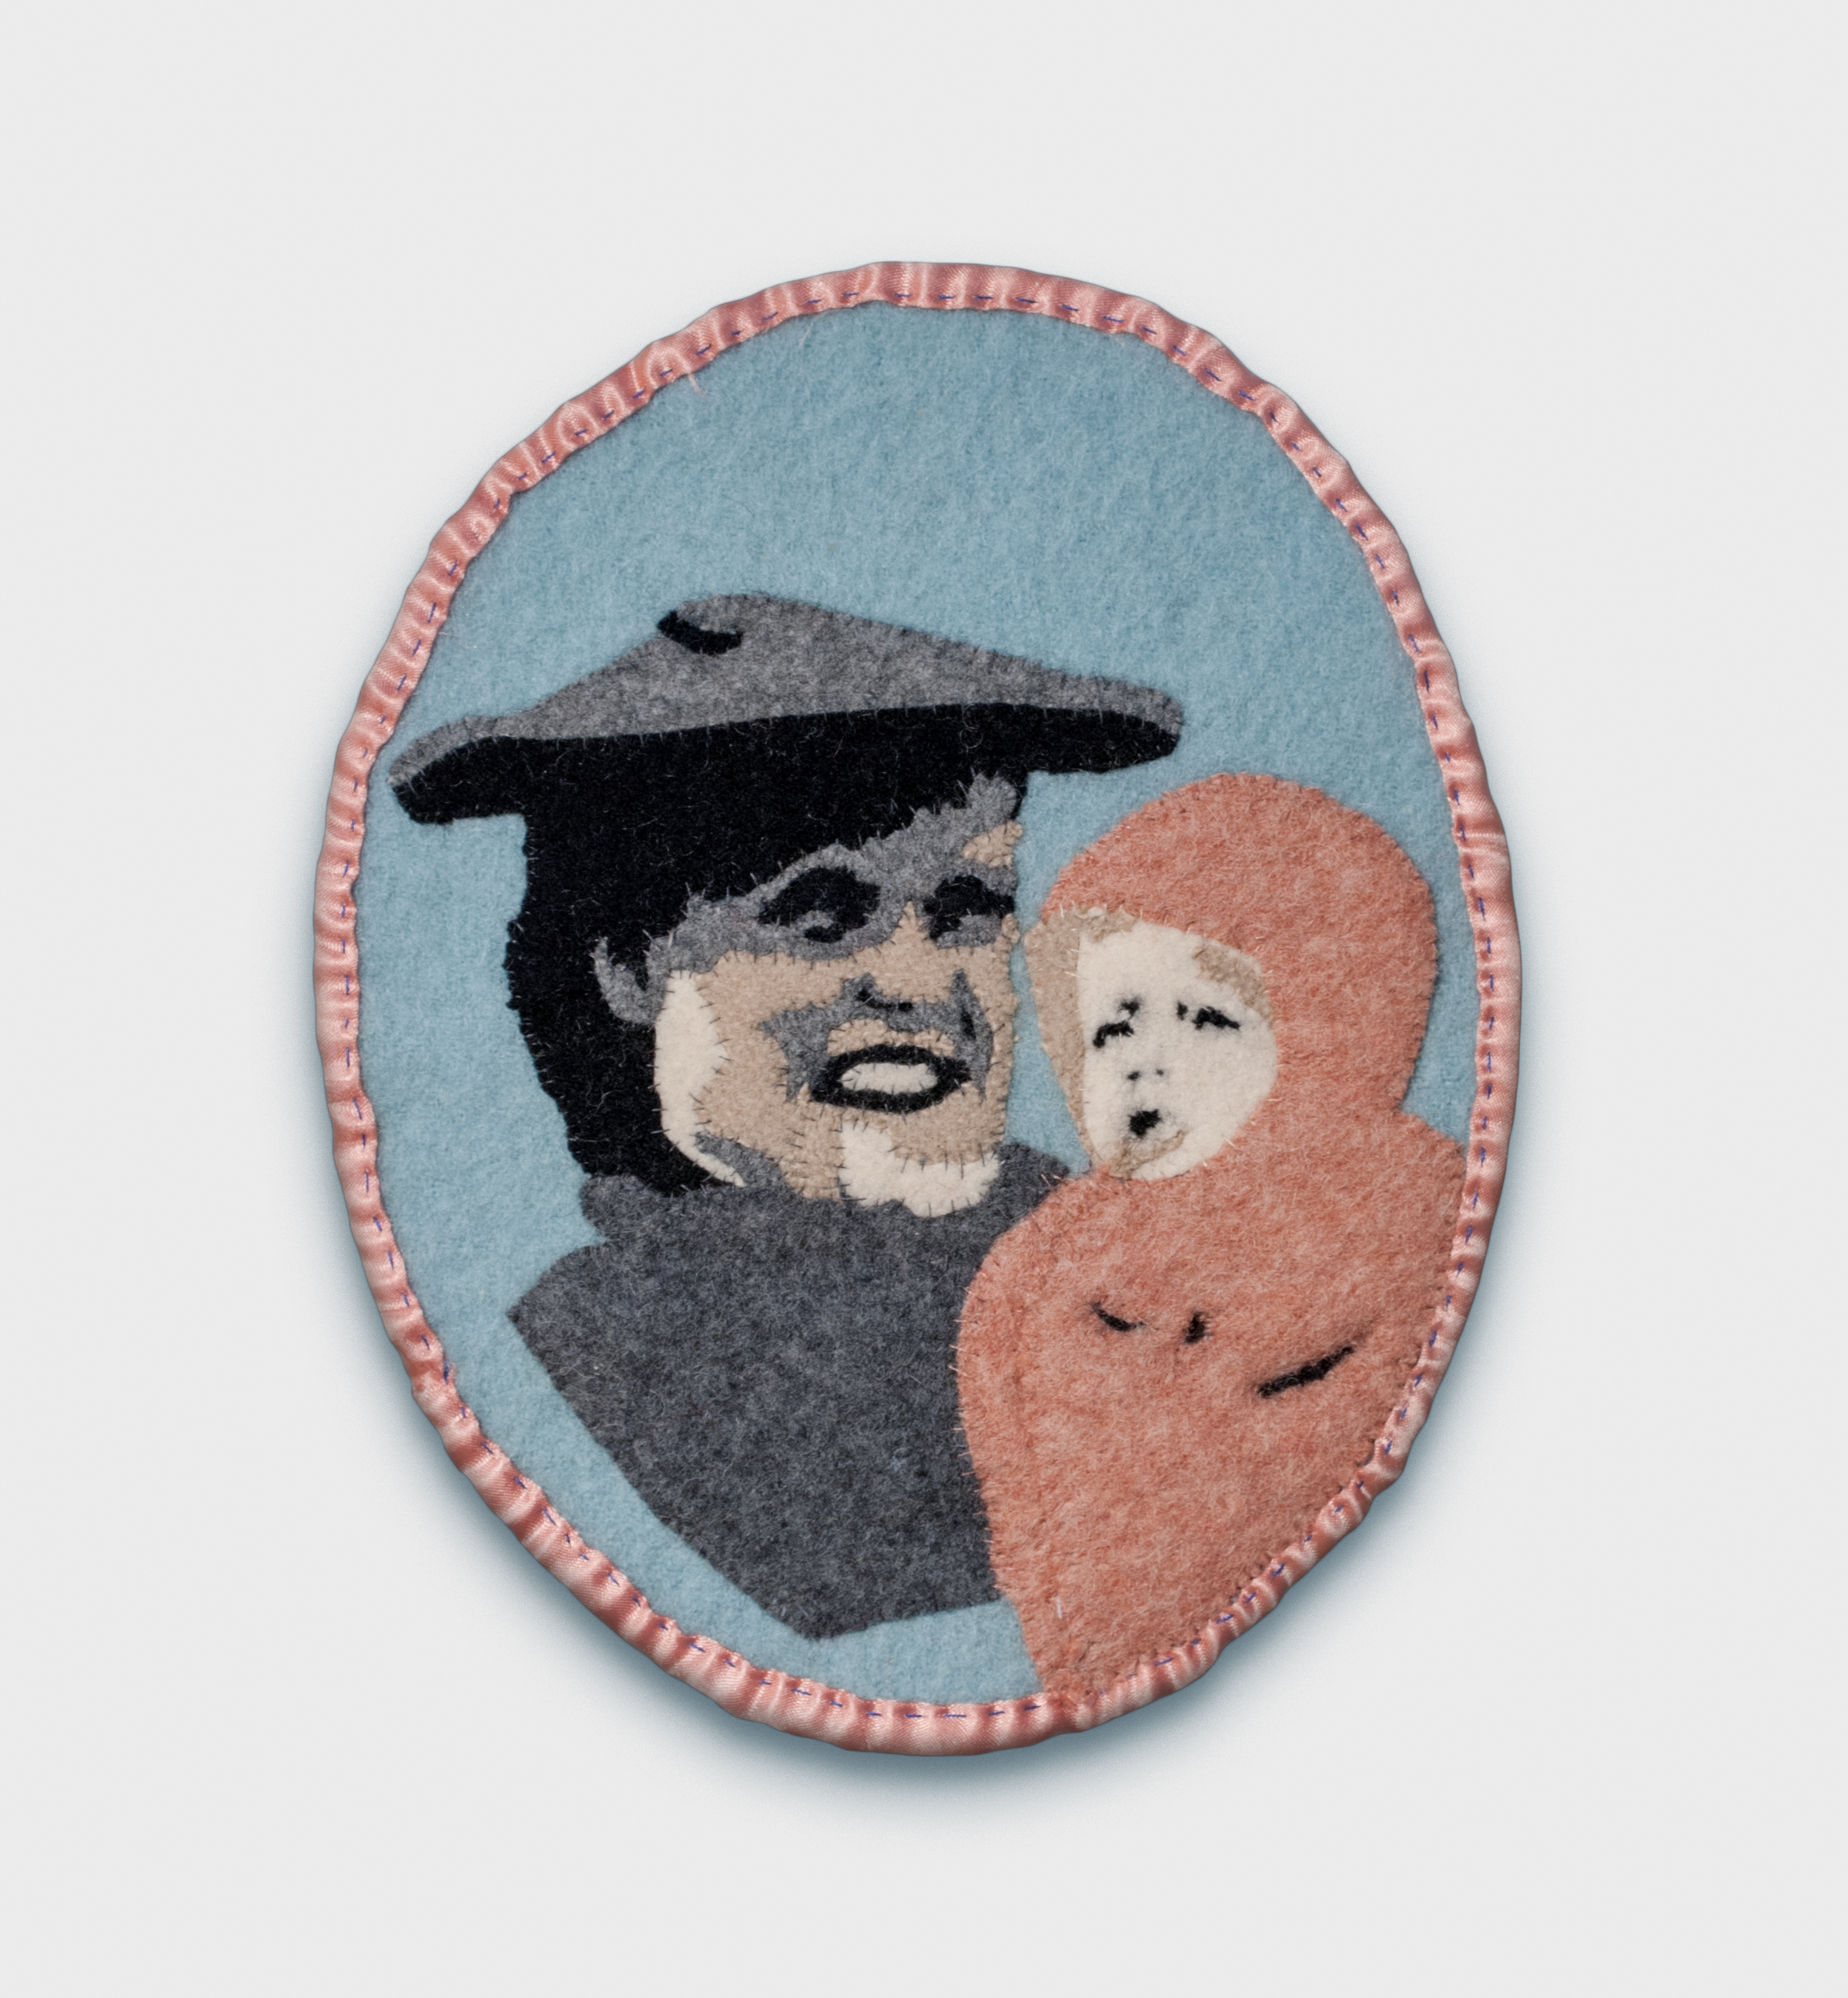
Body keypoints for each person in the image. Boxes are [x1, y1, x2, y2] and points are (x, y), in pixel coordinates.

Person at [390, 594, 1181, 1638]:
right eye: (820, 917)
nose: (918, 983)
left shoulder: (1137, 1268)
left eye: (968, 910)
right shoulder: (594, 1358)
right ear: (627, 968)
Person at [956, 774, 1466, 1697]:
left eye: (1206, 1018)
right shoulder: (1048, 1261)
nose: (1145, 1061)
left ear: (1331, 1028)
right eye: (1111, 1028)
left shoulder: (1408, 1223)